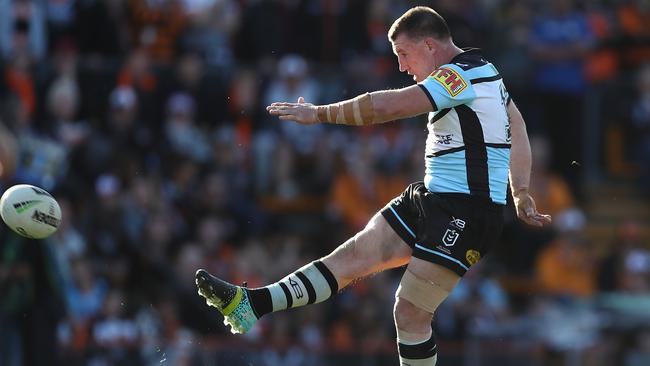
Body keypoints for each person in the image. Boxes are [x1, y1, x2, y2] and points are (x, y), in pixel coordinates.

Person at [195, 6, 552, 366]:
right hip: (432, 198)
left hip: (466, 213)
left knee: (410, 312)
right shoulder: (486, 73)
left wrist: (319, 113)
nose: (402, 66)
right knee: (347, 261)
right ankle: (251, 305)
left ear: (429, 45)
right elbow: (517, 128)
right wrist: (520, 191)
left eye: (403, 54)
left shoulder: (457, 77)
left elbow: (386, 108)